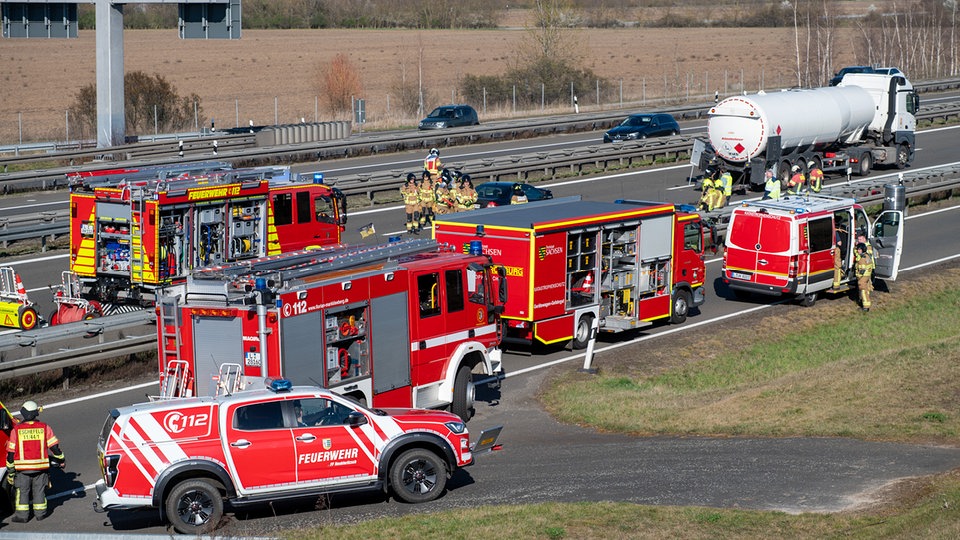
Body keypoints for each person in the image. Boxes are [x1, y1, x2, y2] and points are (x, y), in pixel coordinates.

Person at [6, 400, 65, 523]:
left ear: (23, 413)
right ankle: (41, 514)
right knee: (39, 491)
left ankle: (22, 516)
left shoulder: (16, 430)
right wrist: (61, 459)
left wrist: (11, 472)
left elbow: (11, 454)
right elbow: (54, 448)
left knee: (22, 492)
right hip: (41, 468)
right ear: (35, 413)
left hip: (22, 470)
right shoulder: (45, 427)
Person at [855, 243, 874, 311]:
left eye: (859, 249)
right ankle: (866, 303)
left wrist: (858, 277)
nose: (858, 250)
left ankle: (865, 307)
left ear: (862, 249)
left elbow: (862, 270)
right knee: (866, 290)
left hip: (863, 278)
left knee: (863, 291)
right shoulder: (867, 256)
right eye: (857, 249)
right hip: (867, 276)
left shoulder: (862, 259)